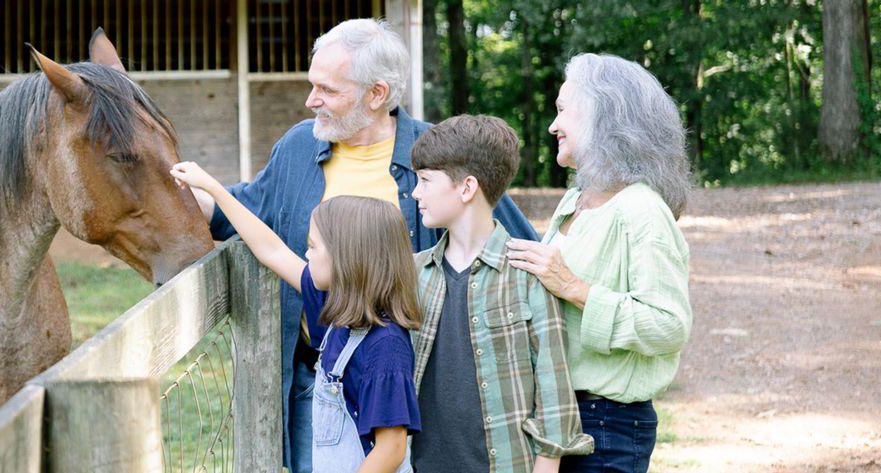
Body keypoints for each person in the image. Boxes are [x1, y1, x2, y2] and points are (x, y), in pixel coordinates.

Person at [188, 18, 539, 471]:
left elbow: (512, 245)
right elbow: (251, 216)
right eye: (313, 85)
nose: (310, 100)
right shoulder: (299, 146)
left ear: (376, 94)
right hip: (324, 375)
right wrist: (182, 193)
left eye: (327, 90)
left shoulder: (437, 154)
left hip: (415, 381)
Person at [503, 53, 694, 473]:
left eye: (562, 110)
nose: (553, 125)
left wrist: (575, 288)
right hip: (560, 415)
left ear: (601, 116)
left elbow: (669, 325)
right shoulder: (576, 200)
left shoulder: (642, 211)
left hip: (608, 426)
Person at [174, 161, 420, 473]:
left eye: (313, 247)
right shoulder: (336, 308)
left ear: (347, 260)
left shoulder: (385, 348)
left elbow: (391, 449)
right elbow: (271, 249)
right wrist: (213, 188)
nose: (306, 255)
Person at [406, 115, 594, 473]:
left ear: (466, 188)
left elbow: (553, 388)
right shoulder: (414, 273)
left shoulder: (528, 273)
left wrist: (547, 464)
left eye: (425, 180)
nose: (416, 192)